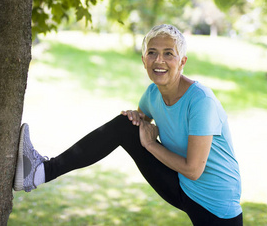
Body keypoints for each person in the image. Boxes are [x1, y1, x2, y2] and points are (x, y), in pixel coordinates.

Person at [13, 24, 243, 225]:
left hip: (218, 206)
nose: (159, 60)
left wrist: (152, 146)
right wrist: (134, 118)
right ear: (144, 60)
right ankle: (40, 172)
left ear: (182, 62)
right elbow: (137, 124)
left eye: (168, 53)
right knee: (124, 125)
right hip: (181, 187)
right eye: (152, 53)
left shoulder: (201, 101)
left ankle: (40, 172)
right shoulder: (152, 95)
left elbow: (194, 170)